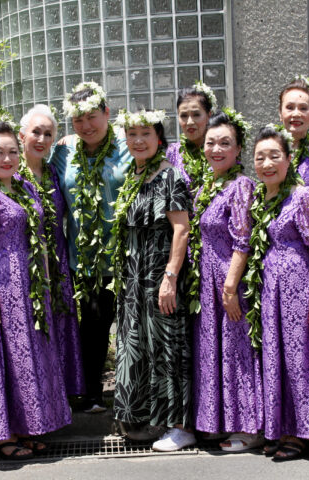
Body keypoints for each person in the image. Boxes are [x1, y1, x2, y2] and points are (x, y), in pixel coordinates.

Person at [0, 121, 71, 459]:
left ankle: (25, 427)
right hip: (0, 286)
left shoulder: (26, 187)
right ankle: (2, 434)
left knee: (24, 357)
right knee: (2, 358)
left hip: (29, 288)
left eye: (12, 151)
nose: (7, 158)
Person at [244, 125, 309, 461]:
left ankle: (303, 433)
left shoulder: (303, 196)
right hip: (270, 292)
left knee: (301, 359)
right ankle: (282, 428)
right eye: (260, 157)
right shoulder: (259, 196)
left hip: (299, 288)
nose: (267, 163)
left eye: (274, 156)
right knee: (276, 358)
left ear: (287, 160)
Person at [109, 109, 194, 451]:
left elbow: (182, 228)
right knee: (140, 347)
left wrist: (170, 277)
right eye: (132, 134)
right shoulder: (134, 176)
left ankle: (180, 427)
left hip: (160, 275)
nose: (138, 140)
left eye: (146, 133)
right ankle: (148, 420)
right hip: (135, 280)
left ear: (159, 137)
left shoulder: (170, 176)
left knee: (168, 349)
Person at [49, 82, 132, 413]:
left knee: (132, 327)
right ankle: (92, 393)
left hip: (128, 255)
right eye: (78, 120)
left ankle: (135, 394)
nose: (86, 126)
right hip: (85, 258)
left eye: (92, 117)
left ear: (107, 113)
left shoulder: (130, 146)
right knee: (94, 325)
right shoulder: (63, 153)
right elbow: (35, 174)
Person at [189, 109, 264, 451]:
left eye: (225, 143)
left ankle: (248, 428)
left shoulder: (241, 186)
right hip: (208, 282)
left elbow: (243, 240)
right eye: (211, 142)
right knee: (216, 350)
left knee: (237, 351)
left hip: (229, 281)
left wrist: (231, 287)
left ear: (238, 150)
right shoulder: (206, 185)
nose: (216, 149)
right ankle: (219, 421)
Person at [166, 81, 215, 195]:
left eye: (196, 115)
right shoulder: (173, 152)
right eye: (183, 116)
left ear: (209, 115)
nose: (189, 122)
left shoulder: (220, 150)